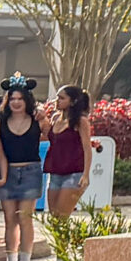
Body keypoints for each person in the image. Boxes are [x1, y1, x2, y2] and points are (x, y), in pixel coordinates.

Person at [0, 80, 41, 261]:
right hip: (8, 172)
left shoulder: (38, 119)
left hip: (31, 171)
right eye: (12, 99)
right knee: (9, 219)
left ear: (27, 100)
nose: (16, 102)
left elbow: (54, 135)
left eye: (20, 98)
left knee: (25, 218)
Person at [42, 86, 91, 225]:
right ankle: (57, 245)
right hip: (55, 171)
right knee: (54, 217)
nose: (57, 101)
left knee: (62, 217)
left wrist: (86, 175)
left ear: (73, 101)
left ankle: (63, 245)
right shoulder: (55, 118)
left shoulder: (80, 122)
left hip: (74, 172)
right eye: (57, 97)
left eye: (62, 98)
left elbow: (87, 148)